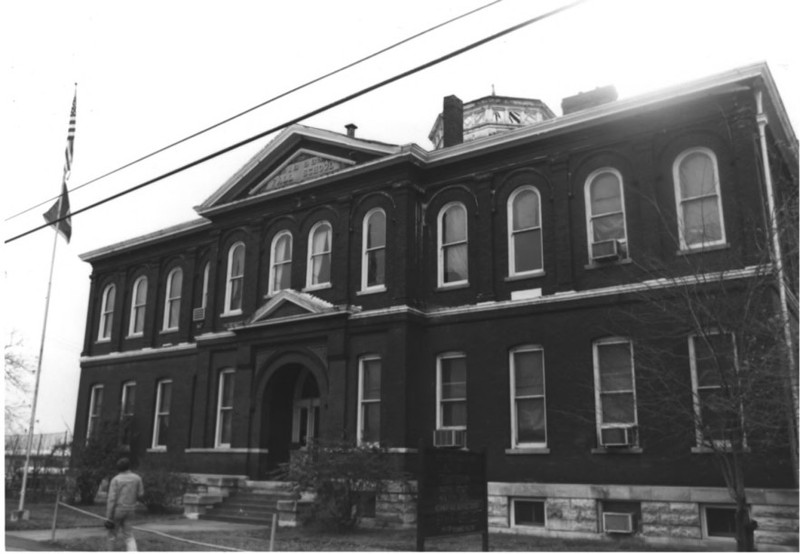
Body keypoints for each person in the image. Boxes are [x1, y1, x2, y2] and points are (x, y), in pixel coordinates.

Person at [105, 457, 144, 551]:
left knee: (112, 534)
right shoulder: (137, 478)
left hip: (118, 510)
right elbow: (141, 494)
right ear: (129, 466)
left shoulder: (116, 480)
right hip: (131, 509)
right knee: (129, 535)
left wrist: (109, 517)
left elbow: (112, 499)